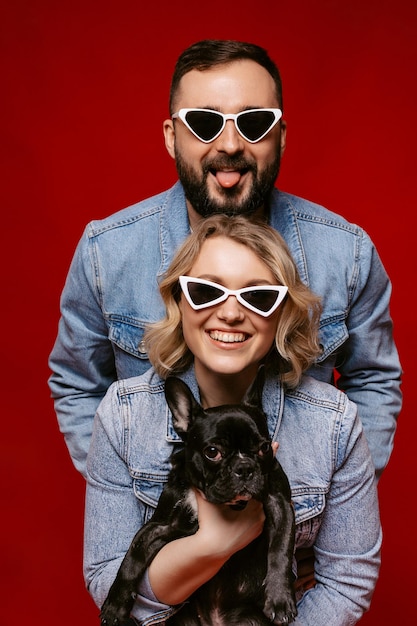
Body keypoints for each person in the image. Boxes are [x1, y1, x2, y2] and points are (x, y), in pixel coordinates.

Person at [48, 39, 402, 479]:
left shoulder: (347, 254)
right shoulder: (107, 252)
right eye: (203, 123)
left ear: (281, 137)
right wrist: (132, 492)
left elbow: (375, 382)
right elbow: (77, 384)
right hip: (162, 532)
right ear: (171, 137)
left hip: (297, 537)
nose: (230, 144)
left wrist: (334, 495)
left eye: (254, 123)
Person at [84, 215, 381, 626]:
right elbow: (108, 583)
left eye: (258, 298)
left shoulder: (333, 423)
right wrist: (212, 544)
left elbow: (348, 581)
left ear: (282, 313)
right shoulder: (124, 414)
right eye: (206, 292)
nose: (230, 313)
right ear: (178, 301)